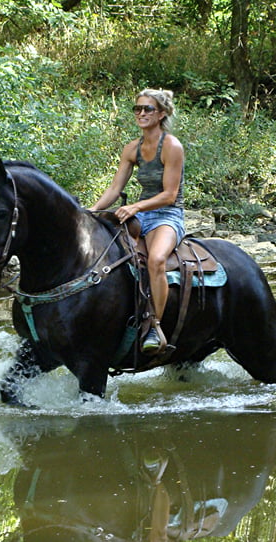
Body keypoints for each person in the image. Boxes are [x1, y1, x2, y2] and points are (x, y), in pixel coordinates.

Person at [90, 88, 185, 354]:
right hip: (140, 214)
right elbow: (114, 189)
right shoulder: (132, 148)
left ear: (161, 114)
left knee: (155, 261)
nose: (141, 113)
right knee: (111, 256)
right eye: (137, 109)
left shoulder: (171, 146)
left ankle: (154, 325)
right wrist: (92, 210)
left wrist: (134, 206)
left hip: (168, 215)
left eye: (148, 109)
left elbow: (169, 194)